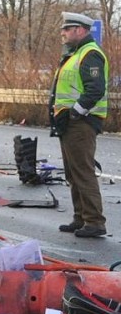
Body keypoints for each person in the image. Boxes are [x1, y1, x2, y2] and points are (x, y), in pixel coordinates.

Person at [49, 12, 108, 238]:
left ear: (80, 30)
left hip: (81, 123)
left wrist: (76, 112)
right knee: (73, 173)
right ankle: (81, 218)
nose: (62, 33)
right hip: (70, 122)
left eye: (67, 28)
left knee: (83, 172)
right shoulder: (75, 53)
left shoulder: (90, 53)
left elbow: (95, 89)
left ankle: (94, 222)